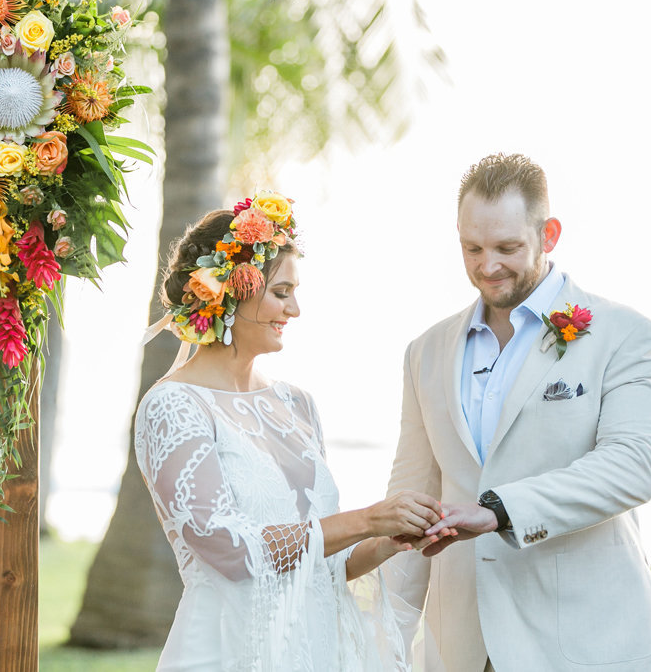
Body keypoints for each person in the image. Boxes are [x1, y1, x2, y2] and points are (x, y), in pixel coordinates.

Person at [384, 154, 651, 671]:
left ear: (549, 234)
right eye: (471, 248)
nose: (487, 266)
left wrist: (499, 510)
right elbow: (410, 497)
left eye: (507, 248)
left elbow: (632, 467)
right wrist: (388, 638)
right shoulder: (426, 351)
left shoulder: (626, 335)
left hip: (587, 644)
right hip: (463, 648)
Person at [136, 192, 449, 671]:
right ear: (228, 291)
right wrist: (367, 518)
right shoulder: (173, 406)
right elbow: (230, 551)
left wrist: (393, 535)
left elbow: (321, 562)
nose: (295, 309)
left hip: (316, 652)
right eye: (281, 293)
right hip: (229, 652)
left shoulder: (296, 404)